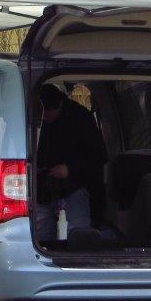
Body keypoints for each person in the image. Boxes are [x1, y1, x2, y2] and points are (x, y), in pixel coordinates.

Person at [34, 84, 107, 242]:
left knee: (78, 235)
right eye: (43, 115)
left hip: (74, 187)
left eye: (49, 115)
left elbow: (99, 157)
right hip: (40, 189)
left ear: (59, 104)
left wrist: (70, 170)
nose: (46, 118)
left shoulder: (81, 118)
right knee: (41, 237)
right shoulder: (34, 119)